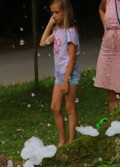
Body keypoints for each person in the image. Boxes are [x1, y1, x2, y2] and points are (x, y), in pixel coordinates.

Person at [40, 0, 80, 146]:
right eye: (52, 13)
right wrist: (50, 24)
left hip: (70, 75)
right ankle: (62, 141)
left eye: (57, 13)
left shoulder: (70, 32)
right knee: (55, 107)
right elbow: (43, 42)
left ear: (66, 12)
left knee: (69, 108)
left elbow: (72, 57)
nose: (54, 16)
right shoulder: (57, 31)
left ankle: (71, 142)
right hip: (59, 75)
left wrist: (66, 80)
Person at [95, 0, 120, 113]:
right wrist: (106, 27)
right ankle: (115, 124)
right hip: (107, 51)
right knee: (111, 93)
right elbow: (101, 9)